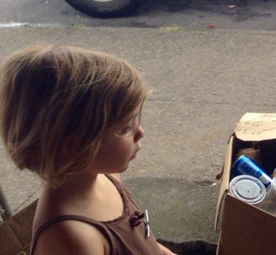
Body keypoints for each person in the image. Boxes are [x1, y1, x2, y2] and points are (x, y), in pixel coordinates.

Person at [0, 45, 177, 255]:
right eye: (126, 128)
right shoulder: (70, 238)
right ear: (75, 147)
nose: (141, 132)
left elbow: (146, 243)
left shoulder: (106, 175)